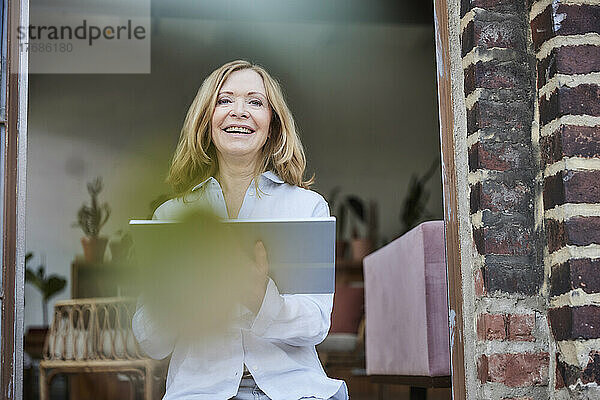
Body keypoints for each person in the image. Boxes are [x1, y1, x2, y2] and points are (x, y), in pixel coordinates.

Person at [132, 60, 348, 400]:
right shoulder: (170, 217)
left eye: (255, 102)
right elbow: (150, 341)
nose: (239, 111)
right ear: (206, 120)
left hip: (294, 390)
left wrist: (260, 298)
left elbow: (316, 325)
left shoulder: (306, 208)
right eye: (224, 100)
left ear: (273, 126)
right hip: (200, 392)